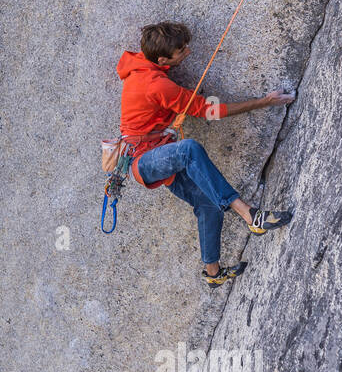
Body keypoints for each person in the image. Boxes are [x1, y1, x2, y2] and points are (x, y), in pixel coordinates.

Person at [118, 21, 294, 286]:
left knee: (209, 205)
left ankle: (214, 274)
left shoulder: (142, 62)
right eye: (181, 51)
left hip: (158, 153)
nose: (187, 52)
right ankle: (248, 214)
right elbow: (210, 110)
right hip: (143, 161)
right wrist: (264, 102)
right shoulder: (155, 84)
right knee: (189, 150)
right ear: (163, 58)